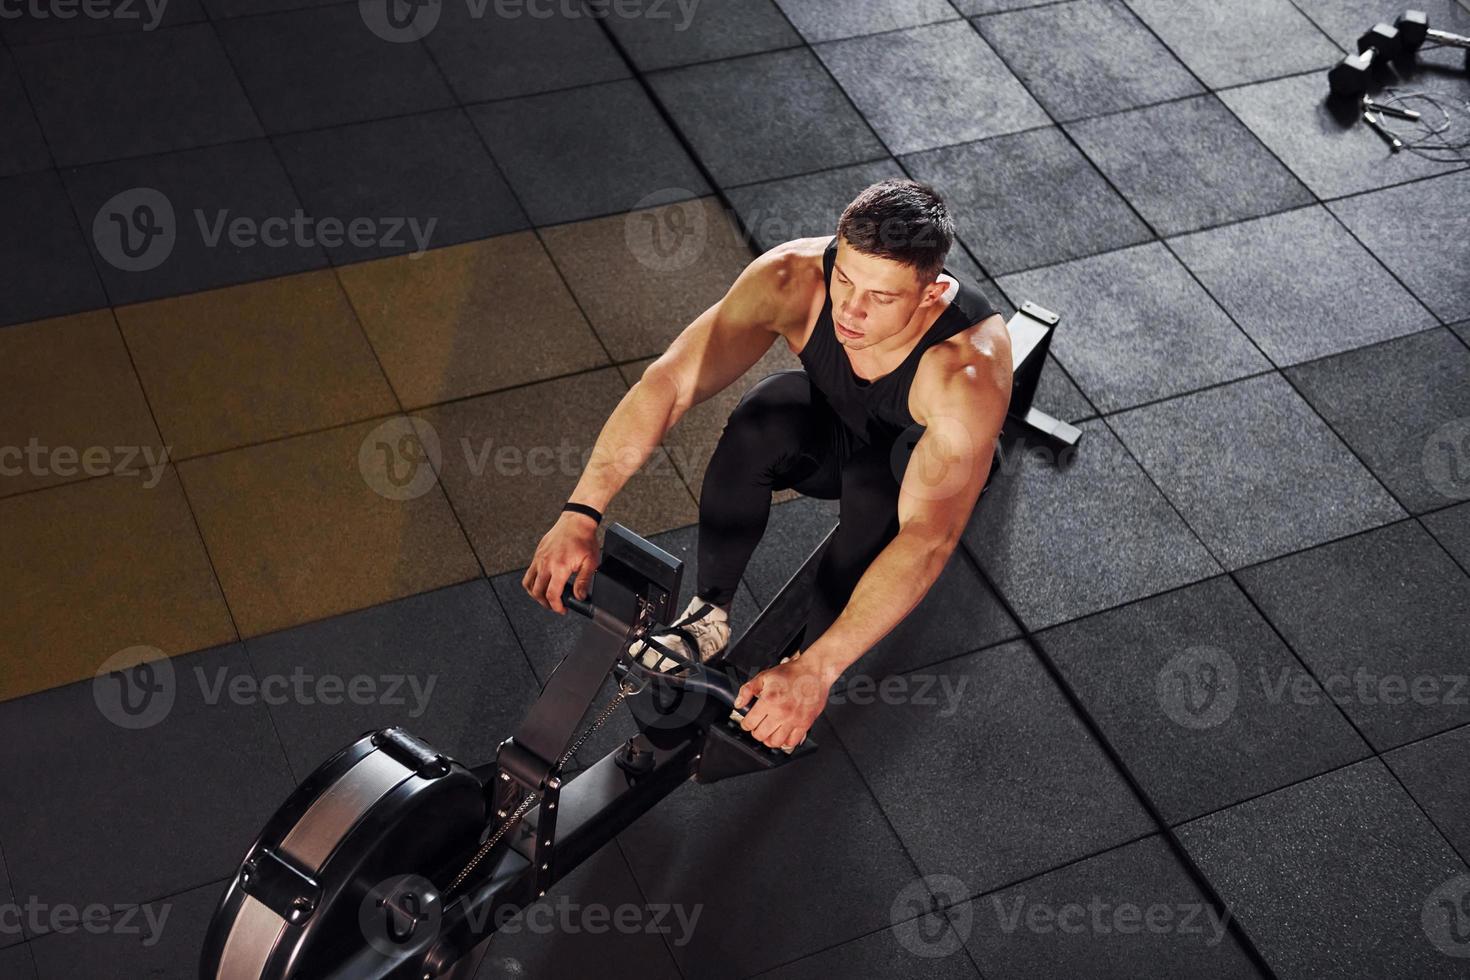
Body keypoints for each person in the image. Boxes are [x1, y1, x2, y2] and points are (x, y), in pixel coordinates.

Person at [522, 178, 1013, 751]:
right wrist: (581, 513)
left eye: (880, 298)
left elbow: (930, 536)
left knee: (873, 496)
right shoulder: (791, 279)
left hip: (903, 470)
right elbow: (671, 381)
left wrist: (818, 670)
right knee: (766, 414)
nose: (850, 311)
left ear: (931, 294)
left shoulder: (964, 373)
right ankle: (709, 615)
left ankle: (807, 665)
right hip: (828, 435)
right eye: (846, 279)